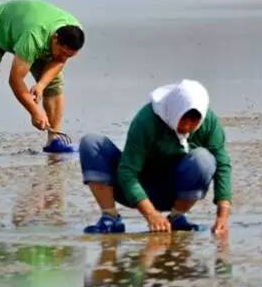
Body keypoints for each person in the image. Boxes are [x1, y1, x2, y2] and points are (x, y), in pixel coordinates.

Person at [79, 79, 232, 235]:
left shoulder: (209, 122)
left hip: (176, 190)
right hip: (136, 188)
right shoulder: (146, 120)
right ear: (174, 110)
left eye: (194, 121)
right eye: (183, 119)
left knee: (203, 159)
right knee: (91, 143)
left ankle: (177, 217)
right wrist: (151, 214)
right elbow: (127, 172)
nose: (186, 127)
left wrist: (222, 216)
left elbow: (222, 165)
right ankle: (109, 217)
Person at [0, 0, 84, 155]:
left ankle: (54, 140)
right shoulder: (33, 38)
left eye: (70, 55)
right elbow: (15, 80)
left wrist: (41, 85)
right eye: (63, 52)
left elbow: (59, 61)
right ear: (55, 38)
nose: (64, 57)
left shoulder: (75, 31)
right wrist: (35, 111)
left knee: (54, 84)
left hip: (25, 32)